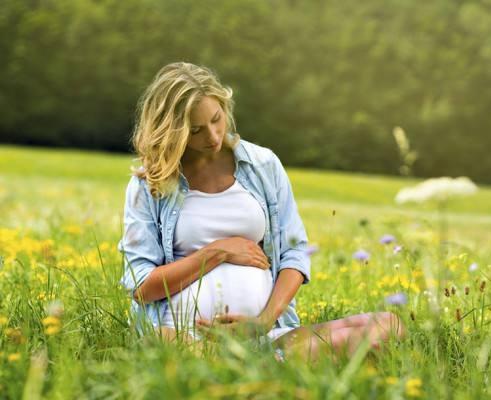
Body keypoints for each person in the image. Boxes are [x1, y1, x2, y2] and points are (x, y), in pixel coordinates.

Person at [118, 62, 404, 362]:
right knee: (171, 347)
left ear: (224, 106)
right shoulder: (151, 183)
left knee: (389, 324)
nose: (214, 136)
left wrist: (264, 321)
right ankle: (250, 366)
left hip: (267, 334)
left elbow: (295, 253)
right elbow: (141, 287)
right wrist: (217, 252)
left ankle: (260, 362)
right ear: (173, 131)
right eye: (196, 130)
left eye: (217, 119)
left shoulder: (262, 165)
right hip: (179, 334)